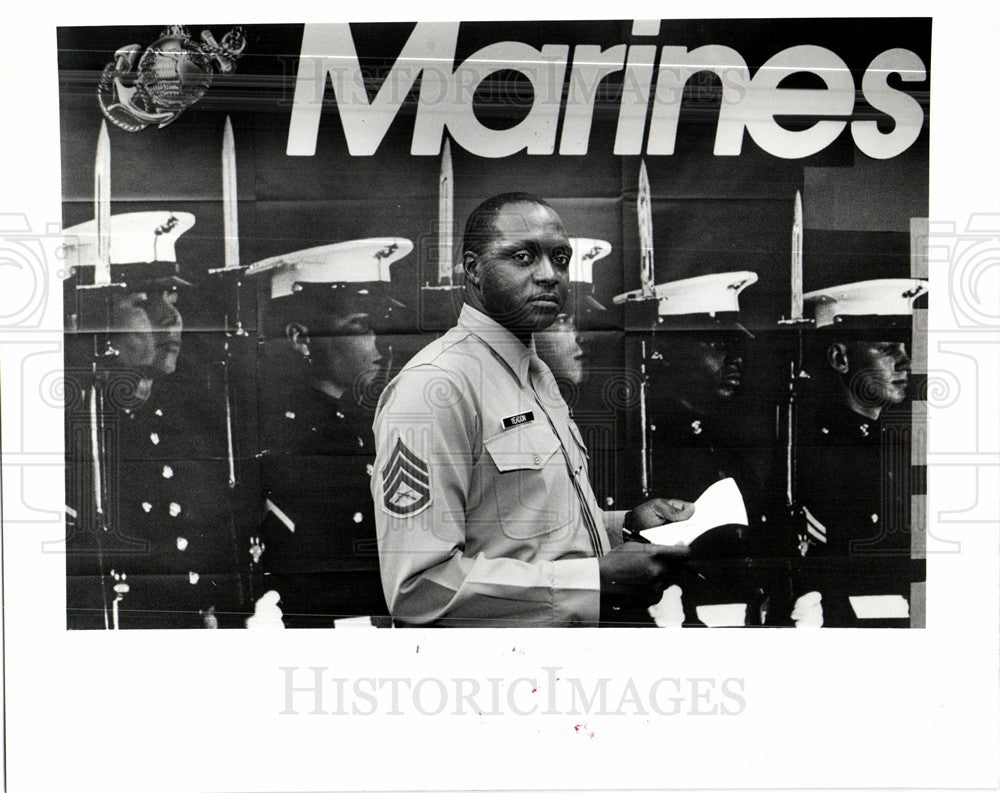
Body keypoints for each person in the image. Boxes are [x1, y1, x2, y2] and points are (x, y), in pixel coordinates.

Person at [372, 193, 694, 627]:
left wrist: (625, 526)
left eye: (560, 258)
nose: (550, 275)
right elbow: (418, 588)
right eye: (523, 257)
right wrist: (593, 581)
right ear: (474, 270)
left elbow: (525, 531)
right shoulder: (436, 385)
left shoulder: (535, 373)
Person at [64, 210, 246, 628]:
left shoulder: (186, 420)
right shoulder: (69, 433)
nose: (171, 318)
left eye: (172, 298)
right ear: (89, 322)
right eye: (143, 303)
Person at [249, 238, 412, 627]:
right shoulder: (288, 437)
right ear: (301, 338)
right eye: (358, 324)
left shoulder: (346, 426)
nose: (375, 340)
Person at [615, 272, 763, 626]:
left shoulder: (727, 450)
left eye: (734, 345)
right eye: (716, 344)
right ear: (665, 351)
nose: (734, 359)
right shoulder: (637, 451)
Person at [793, 278, 928, 627]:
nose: (905, 361)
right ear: (840, 358)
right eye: (887, 349)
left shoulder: (894, 444)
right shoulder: (814, 450)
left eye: (904, 346)